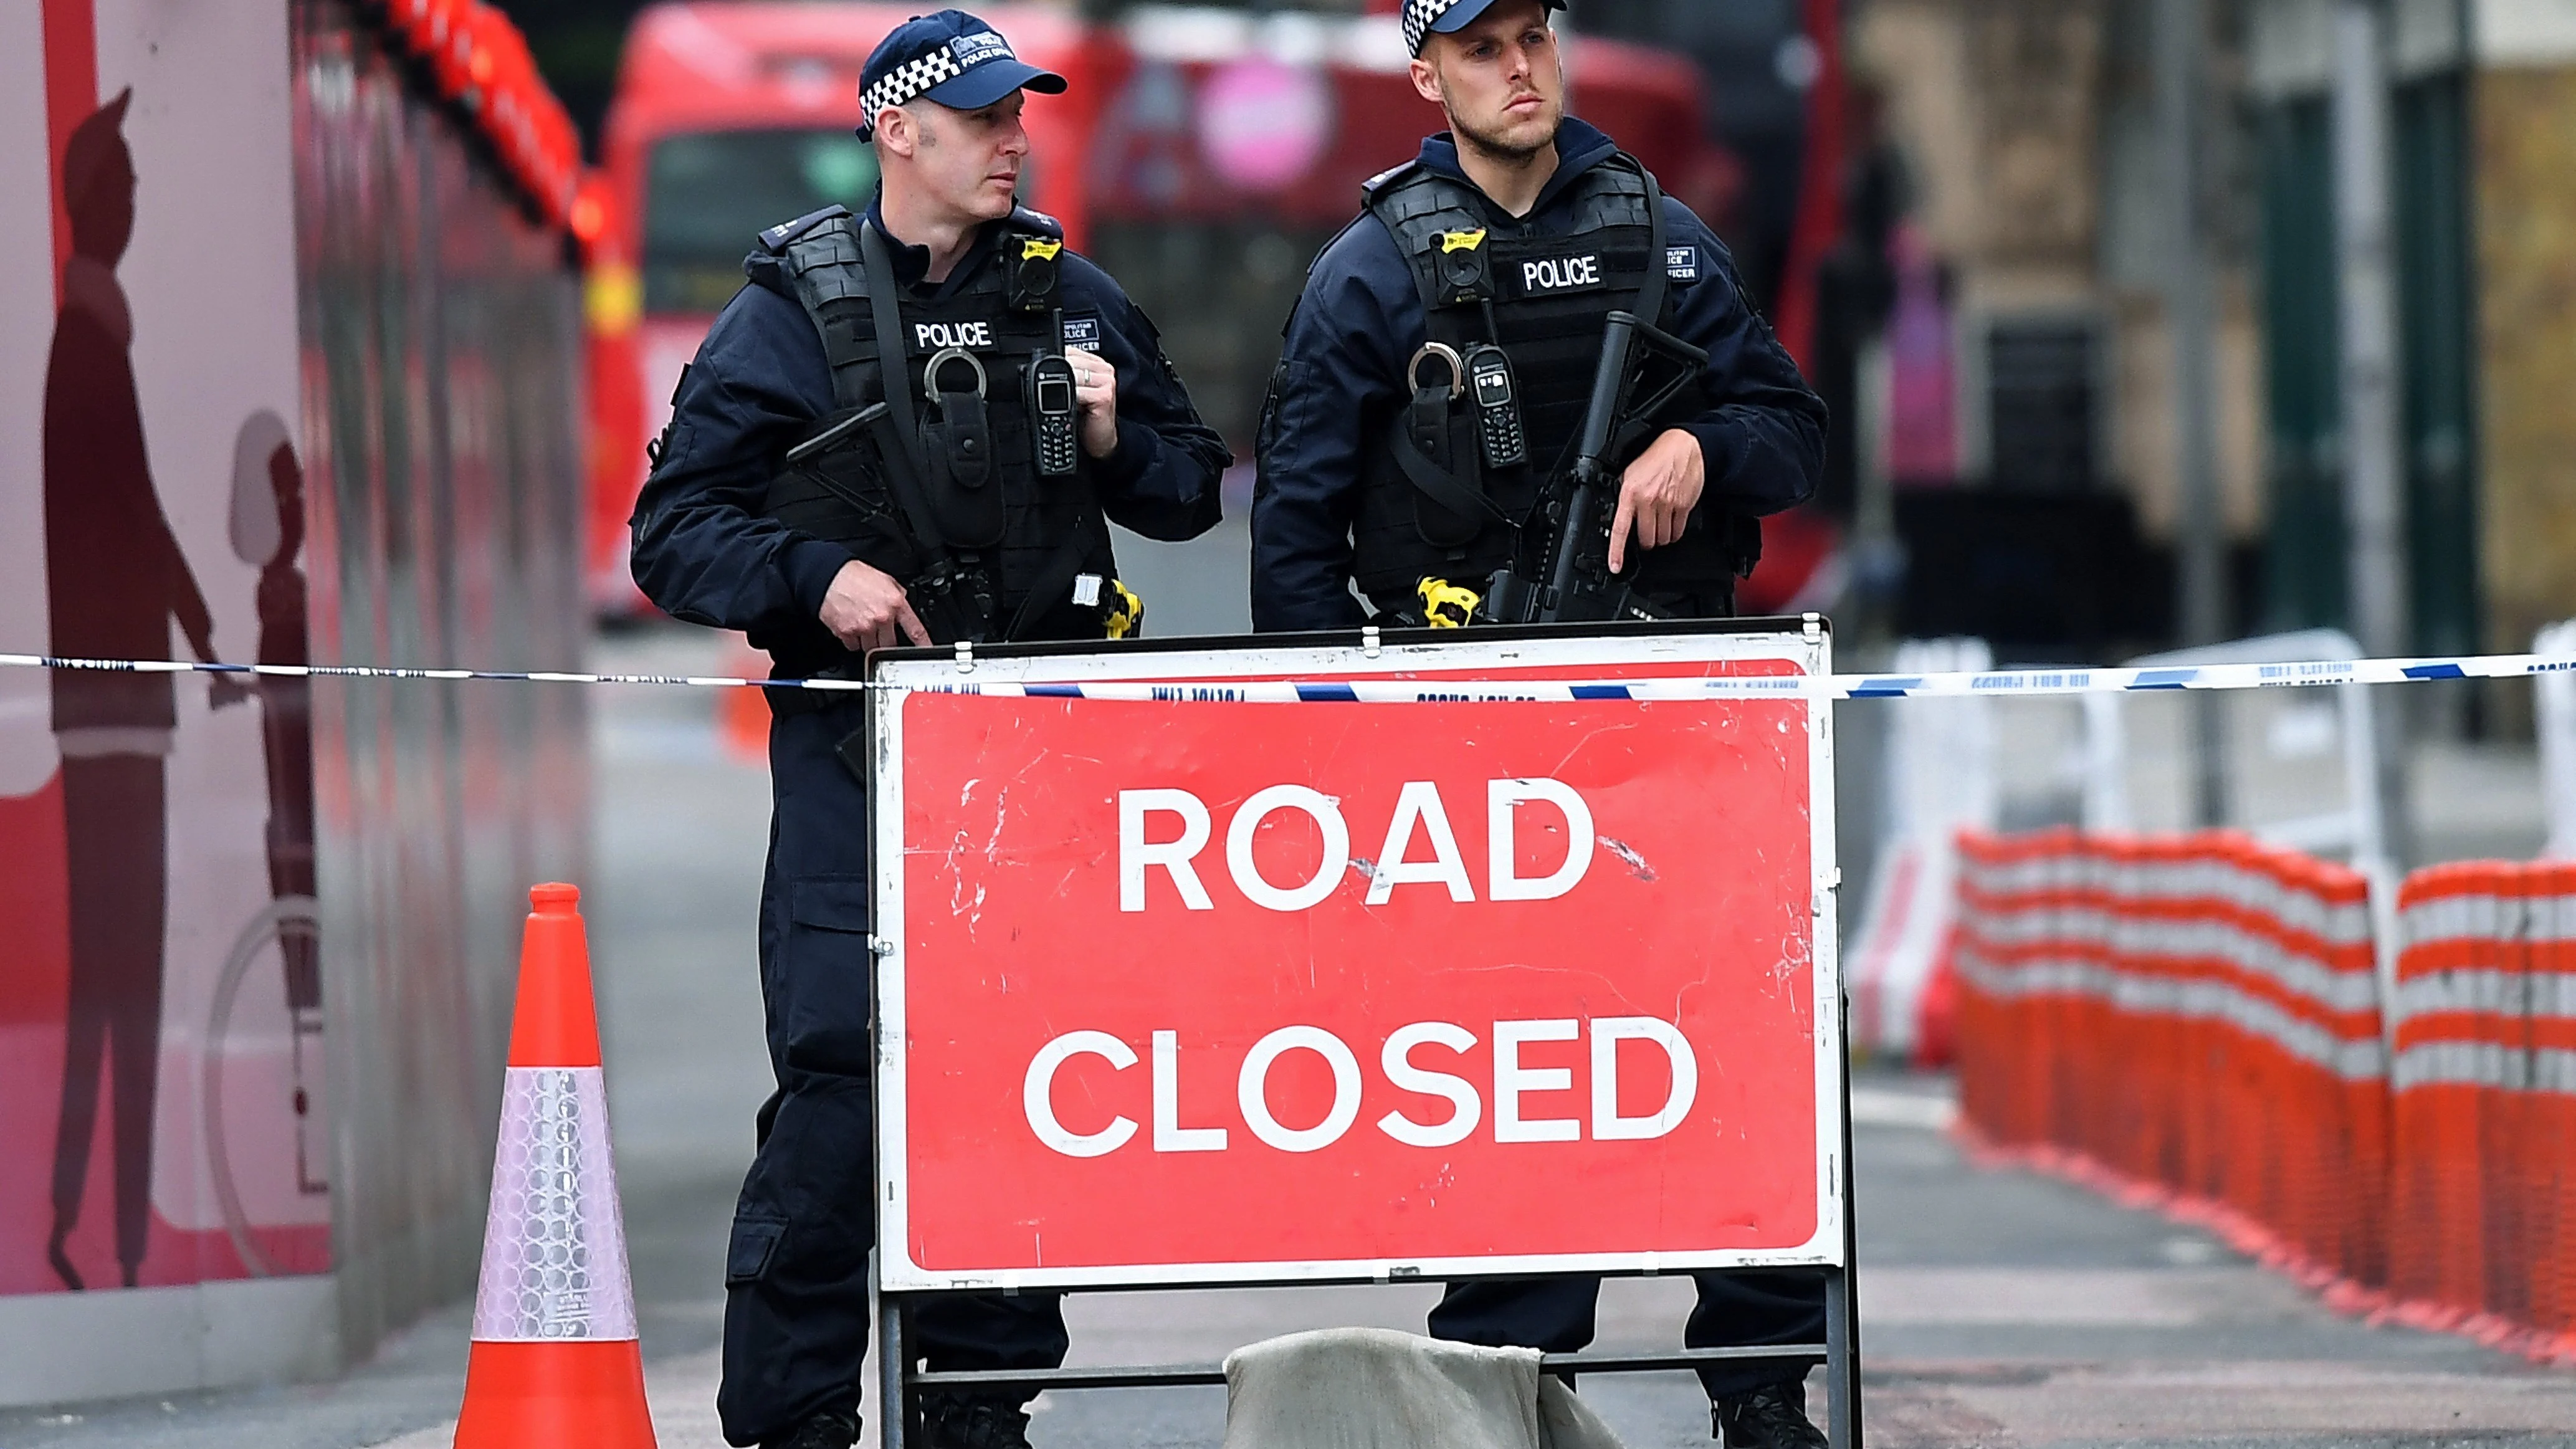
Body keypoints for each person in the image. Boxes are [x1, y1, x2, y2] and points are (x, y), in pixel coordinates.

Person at [627, 12, 1231, 1449]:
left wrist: (1109, 441)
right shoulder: (789, 315)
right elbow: (672, 534)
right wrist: (810, 577)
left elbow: (1193, 486)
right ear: (897, 130)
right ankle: (789, 1425)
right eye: (980, 119)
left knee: (1018, 1096)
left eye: (1019, 116)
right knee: (843, 1086)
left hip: (1039, 779)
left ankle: (977, 1408)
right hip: (861, 767)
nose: (1012, 139)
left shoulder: (1072, 298)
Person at [1247, 2, 1831, 1445]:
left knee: (1724, 1047)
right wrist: (1343, 752)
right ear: (1426, 73)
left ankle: (1761, 1390)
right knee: (1508, 1060)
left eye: (1538, 35)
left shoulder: (1666, 240)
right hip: (1468, 738)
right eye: (1486, 46)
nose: (1523, 69)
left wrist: (1702, 442)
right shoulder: (1372, 272)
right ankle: (1508, 1385)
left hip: (1669, 732)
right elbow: (1297, 540)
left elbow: (1793, 430)